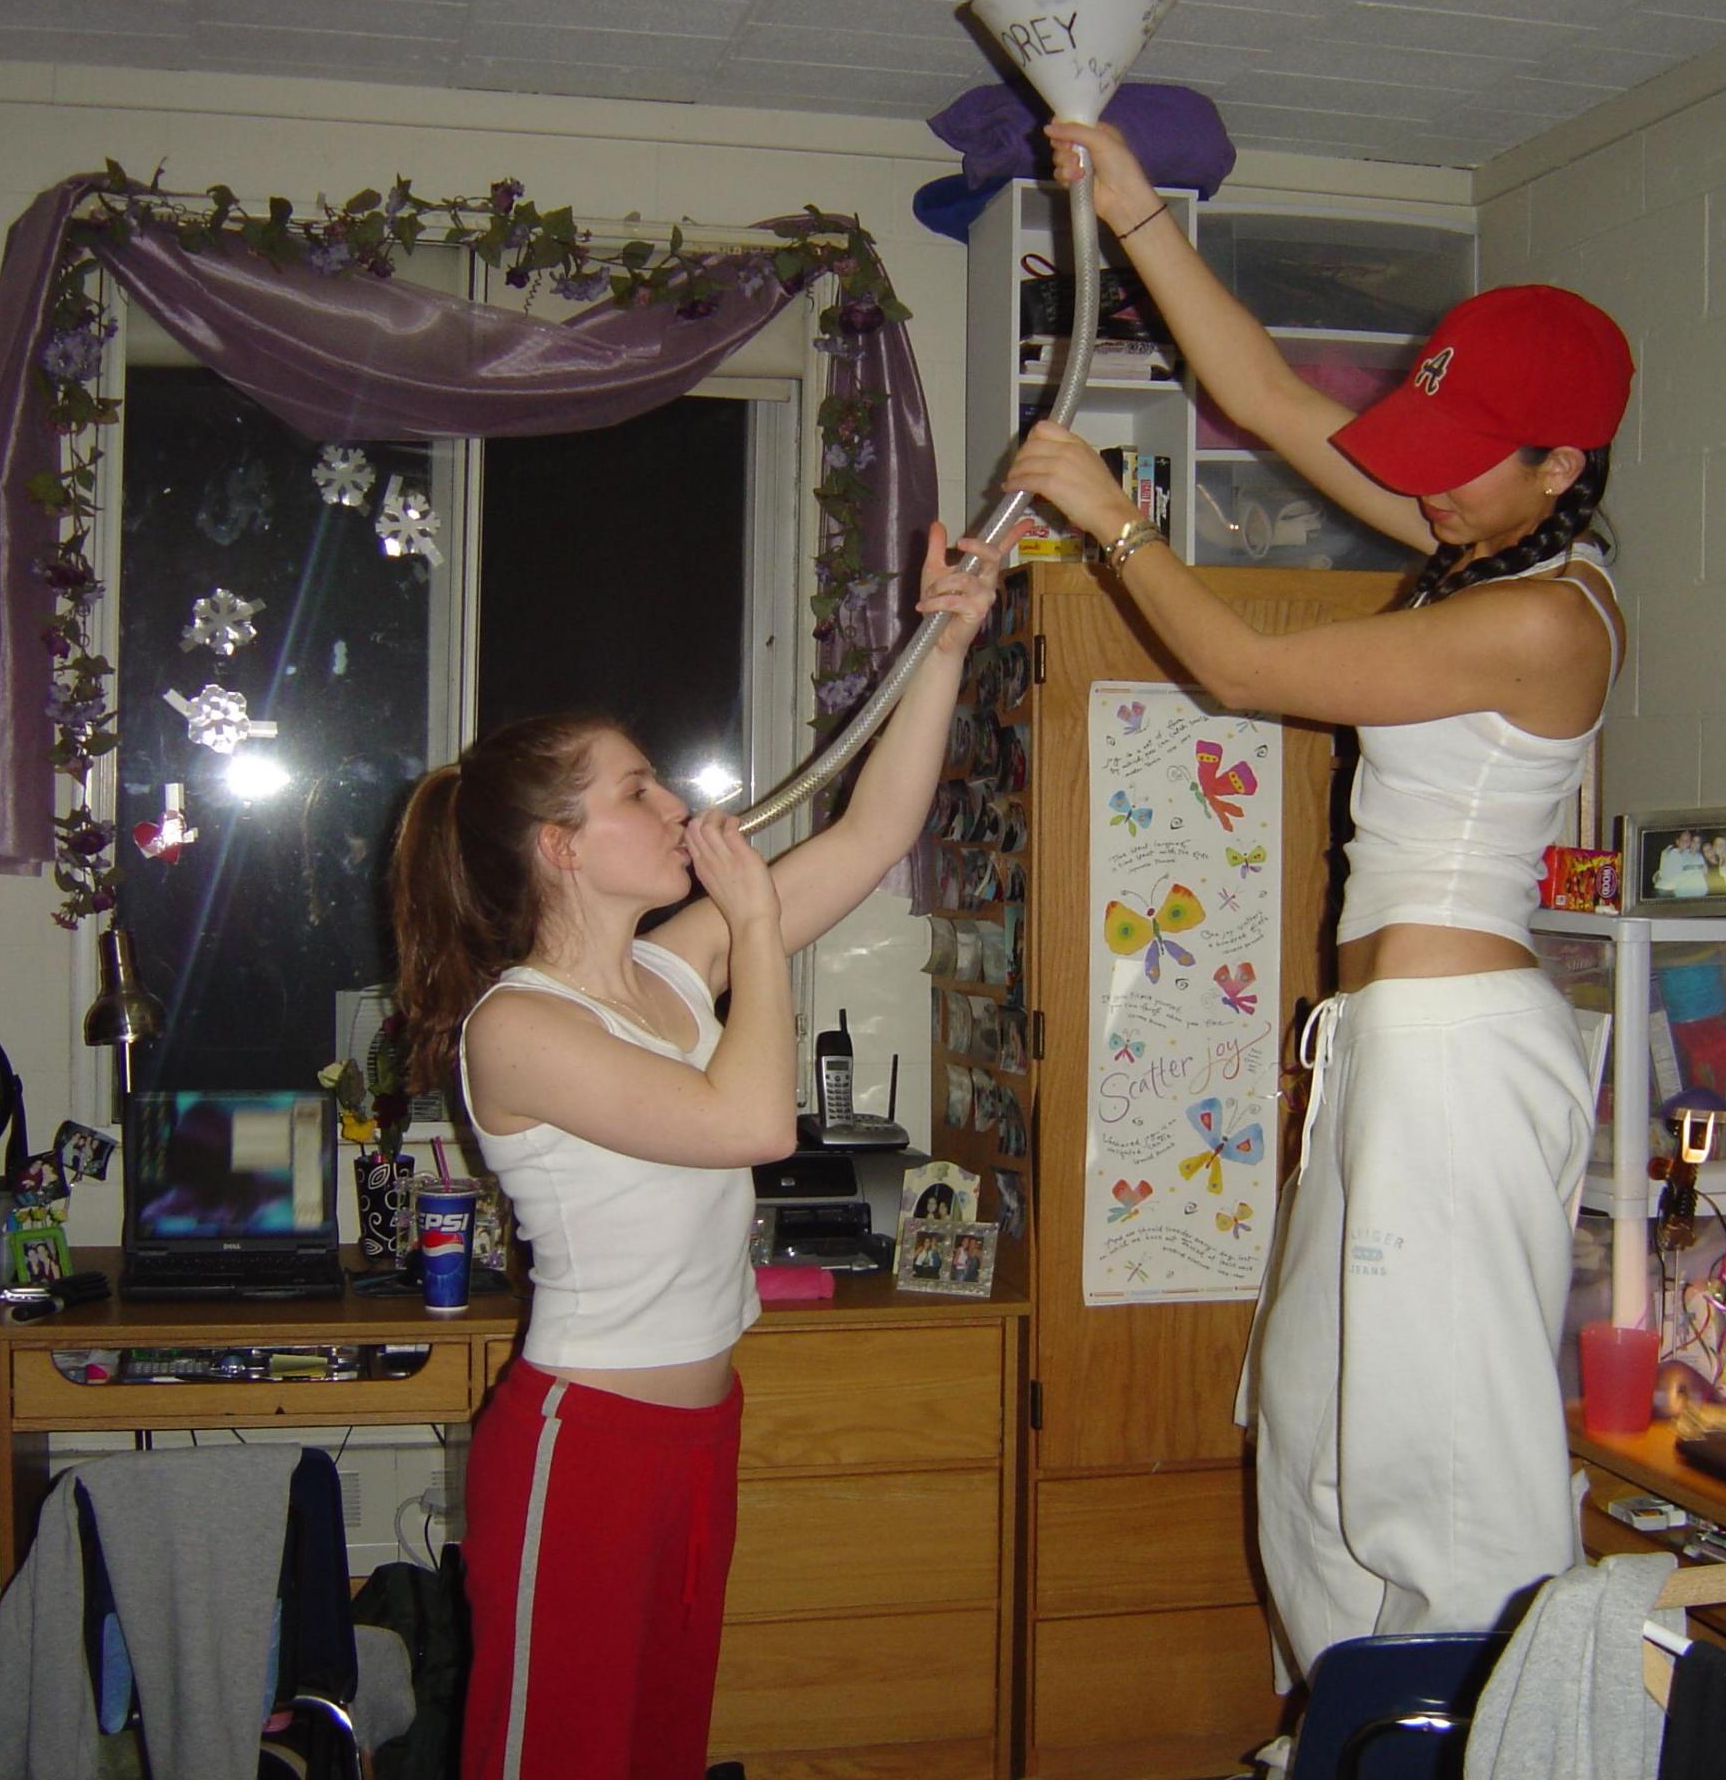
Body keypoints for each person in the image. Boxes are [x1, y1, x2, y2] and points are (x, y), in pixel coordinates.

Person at [1015, 118, 1635, 1667]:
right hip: (1383, 1047)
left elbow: (1241, 671)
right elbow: (1270, 398)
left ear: (1562, 465)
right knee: (1307, 1429)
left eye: (1464, 457)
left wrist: (1116, 519)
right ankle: (1349, 1726)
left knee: (1444, 1460)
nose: (1425, 487)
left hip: (1456, 1054)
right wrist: (1139, 217)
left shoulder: (1550, 621)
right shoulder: (1480, 546)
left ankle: (1494, 1736)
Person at [391, 527, 995, 1779]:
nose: (678, 808)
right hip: (586, 1446)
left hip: (698, 1431)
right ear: (560, 847)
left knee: (658, 1751)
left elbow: (876, 831)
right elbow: (753, 1126)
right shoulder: (516, 1027)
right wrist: (755, 925)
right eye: (638, 793)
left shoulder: (670, 970)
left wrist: (945, 645)